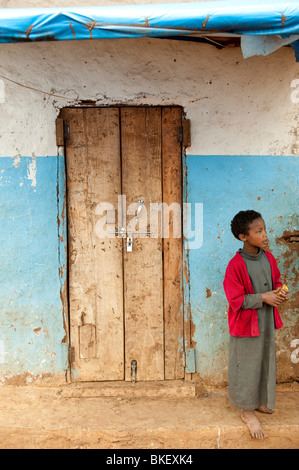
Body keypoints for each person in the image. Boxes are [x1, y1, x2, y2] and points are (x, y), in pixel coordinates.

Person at [223, 210, 288, 439]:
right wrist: (263, 297)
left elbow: (276, 280)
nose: (265, 235)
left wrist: (279, 292)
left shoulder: (268, 258)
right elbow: (235, 300)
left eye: (265, 229)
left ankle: (260, 401)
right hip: (246, 325)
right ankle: (247, 411)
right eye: (258, 231)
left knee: (264, 363)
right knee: (247, 366)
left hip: (266, 321)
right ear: (243, 237)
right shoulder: (235, 265)